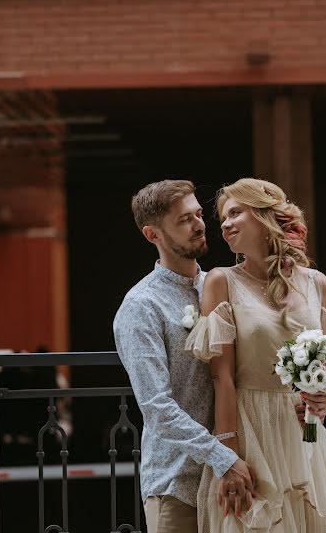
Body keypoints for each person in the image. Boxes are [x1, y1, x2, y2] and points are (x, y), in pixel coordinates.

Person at [185, 178, 326, 532]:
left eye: (235, 212)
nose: (224, 223)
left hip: (303, 438)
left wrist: (320, 396)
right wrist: (229, 458)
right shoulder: (221, 282)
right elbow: (221, 378)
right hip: (251, 432)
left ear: (265, 215)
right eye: (222, 217)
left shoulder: (317, 284)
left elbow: (322, 364)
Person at [115, 180, 266, 533]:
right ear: (152, 235)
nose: (199, 224)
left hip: (244, 477)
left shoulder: (223, 285)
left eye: (198, 214)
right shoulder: (140, 306)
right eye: (184, 220)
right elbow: (157, 407)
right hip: (179, 486)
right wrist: (223, 458)